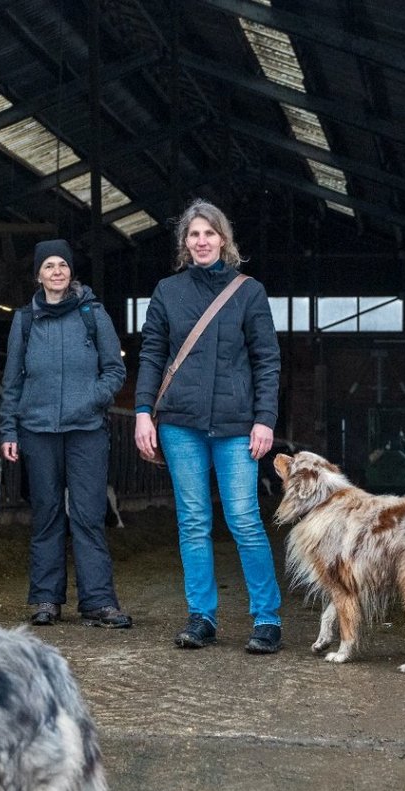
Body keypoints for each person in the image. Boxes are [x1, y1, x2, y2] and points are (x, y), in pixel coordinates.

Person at [133, 199, 285, 654]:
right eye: (193, 235)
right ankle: (201, 616)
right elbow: (152, 353)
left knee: (244, 519)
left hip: (238, 424)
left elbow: (267, 359)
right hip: (181, 423)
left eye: (209, 234)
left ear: (224, 240)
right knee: (194, 521)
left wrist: (265, 419)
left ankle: (267, 618)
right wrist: (143, 411)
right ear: (185, 243)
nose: (201, 241)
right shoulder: (168, 291)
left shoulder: (248, 292)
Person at [0, 239, 132, 628]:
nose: (57, 272)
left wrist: (92, 399)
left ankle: (98, 601)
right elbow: (12, 381)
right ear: (38, 274)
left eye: (63, 265)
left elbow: (115, 370)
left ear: (71, 272)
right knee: (47, 513)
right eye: (49, 266)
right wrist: (8, 428)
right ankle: (45, 599)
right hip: (37, 429)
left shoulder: (93, 315)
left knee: (88, 515)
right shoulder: (24, 321)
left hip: (86, 429)